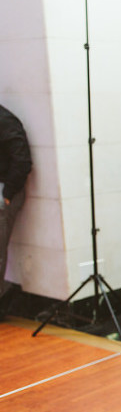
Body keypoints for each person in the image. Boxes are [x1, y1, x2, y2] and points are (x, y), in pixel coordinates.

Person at [0, 104, 32, 314]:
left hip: (4, 190)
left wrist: (7, 194)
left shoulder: (6, 121)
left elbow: (22, 161)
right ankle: (6, 291)